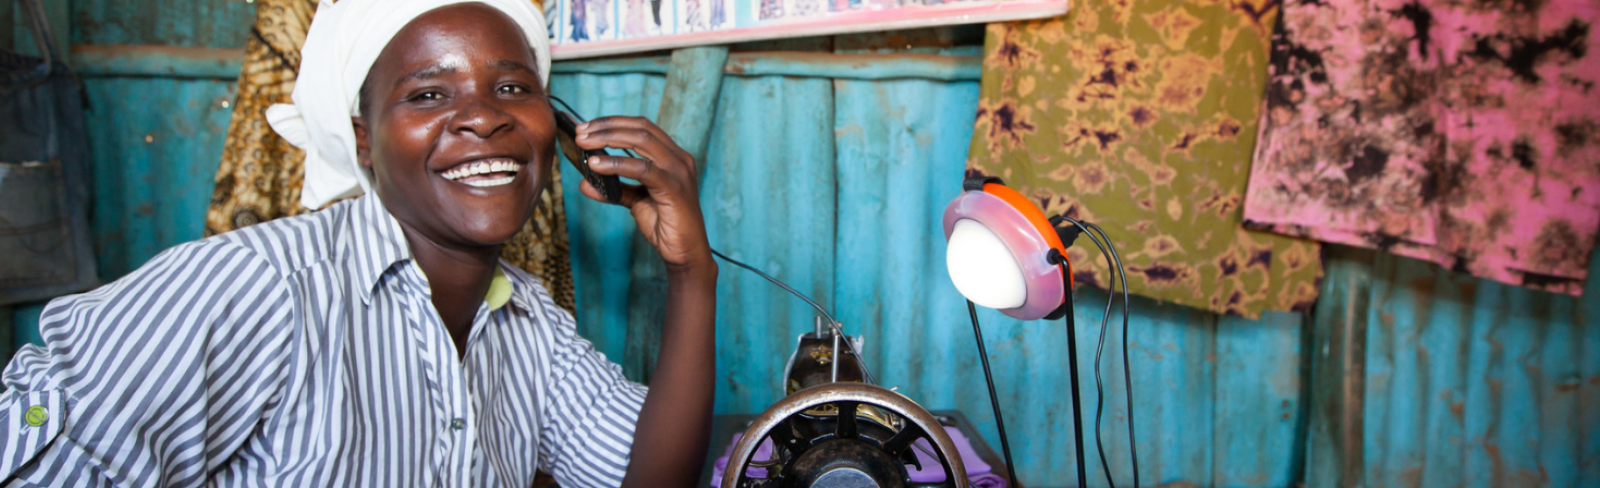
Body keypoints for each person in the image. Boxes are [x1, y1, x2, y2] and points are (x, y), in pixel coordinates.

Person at [0, 0, 717, 486]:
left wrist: (691, 275)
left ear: (555, 127)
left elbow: (647, 477)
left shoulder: (530, 327)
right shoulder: (263, 287)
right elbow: (35, 446)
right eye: (429, 95)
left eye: (511, 88)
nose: (482, 118)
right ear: (363, 140)